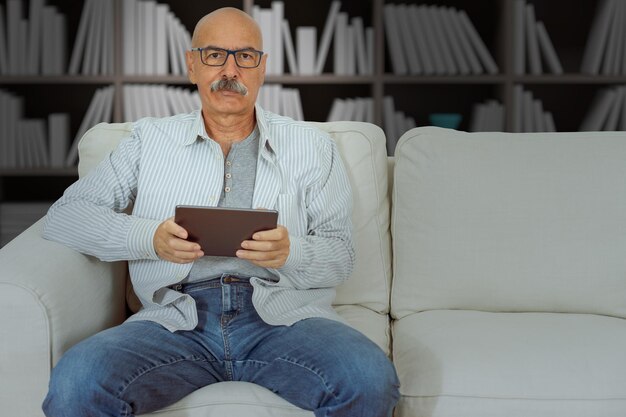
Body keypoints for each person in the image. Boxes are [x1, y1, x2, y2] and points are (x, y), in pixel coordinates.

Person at [41, 7, 399, 417]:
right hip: (174, 320)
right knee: (77, 381)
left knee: (369, 378)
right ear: (192, 65)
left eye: (245, 56)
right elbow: (66, 215)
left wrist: (291, 253)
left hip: (283, 320)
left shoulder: (312, 146)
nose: (230, 69)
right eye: (214, 55)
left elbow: (341, 255)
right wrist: (149, 237)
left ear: (262, 68)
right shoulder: (149, 140)